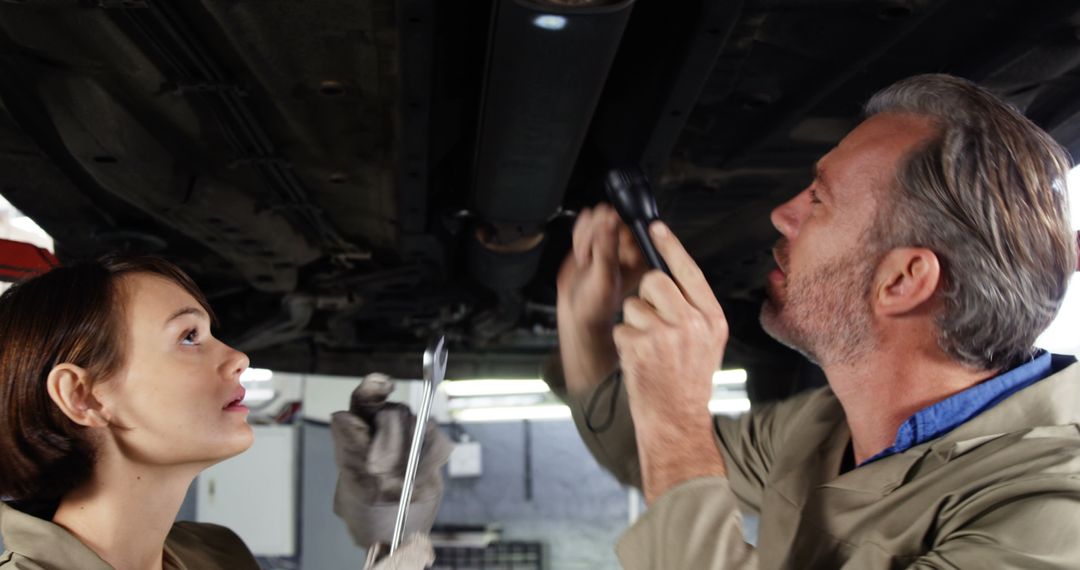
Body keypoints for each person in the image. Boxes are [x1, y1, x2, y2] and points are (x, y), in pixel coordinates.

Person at [548, 73, 1080, 568]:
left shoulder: (1053, 514)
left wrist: (676, 415)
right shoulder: (822, 427)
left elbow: (672, 445)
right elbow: (649, 454)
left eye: (819, 198)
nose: (783, 213)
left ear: (901, 281)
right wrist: (584, 326)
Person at [0, 256, 439, 569]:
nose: (239, 357)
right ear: (84, 397)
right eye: (189, 336)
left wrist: (388, 530)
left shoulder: (217, 554)